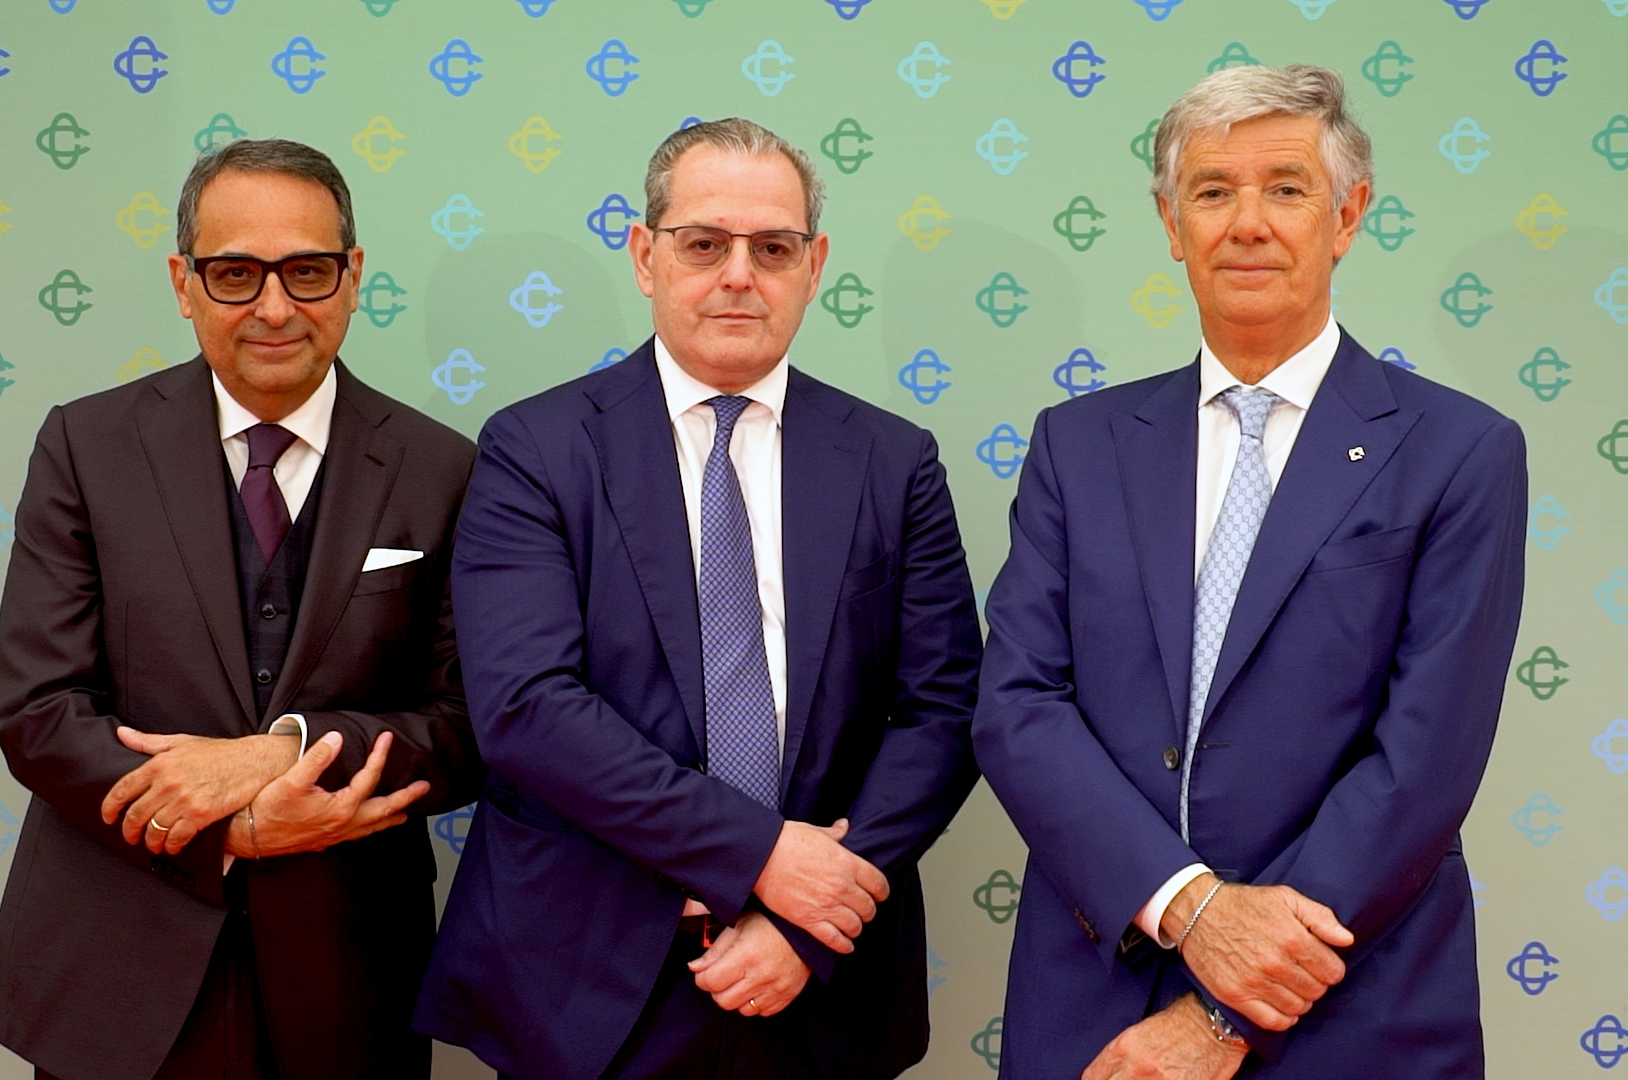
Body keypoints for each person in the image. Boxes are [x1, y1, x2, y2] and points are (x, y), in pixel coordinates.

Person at [973, 66, 1527, 1079]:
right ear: (1171, 223)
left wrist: (1224, 1014)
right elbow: (1017, 708)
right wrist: (1189, 907)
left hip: (1349, 1005)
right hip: (1100, 993)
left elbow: (1424, 763)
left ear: (1347, 215)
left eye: (1286, 187)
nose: (1249, 223)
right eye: (1213, 191)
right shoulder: (1077, 445)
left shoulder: (1460, 452)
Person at [414, 118, 982, 1080]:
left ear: (815, 265)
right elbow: (526, 708)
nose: (739, 276)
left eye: (774, 249)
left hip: (821, 980)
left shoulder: (893, 461)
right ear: (647, 256)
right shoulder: (536, 449)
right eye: (705, 244)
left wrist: (807, 917)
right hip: (584, 977)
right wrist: (761, 856)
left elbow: (943, 709)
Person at [0, 138, 483, 1080]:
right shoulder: (86, 446)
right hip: (116, 959)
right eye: (237, 274)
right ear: (184, 282)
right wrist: (225, 831)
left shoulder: (445, 468)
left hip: (350, 976)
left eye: (308, 271)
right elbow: (38, 712)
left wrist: (285, 752)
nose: (275, 307)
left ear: (353, 276)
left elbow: (465, 730)